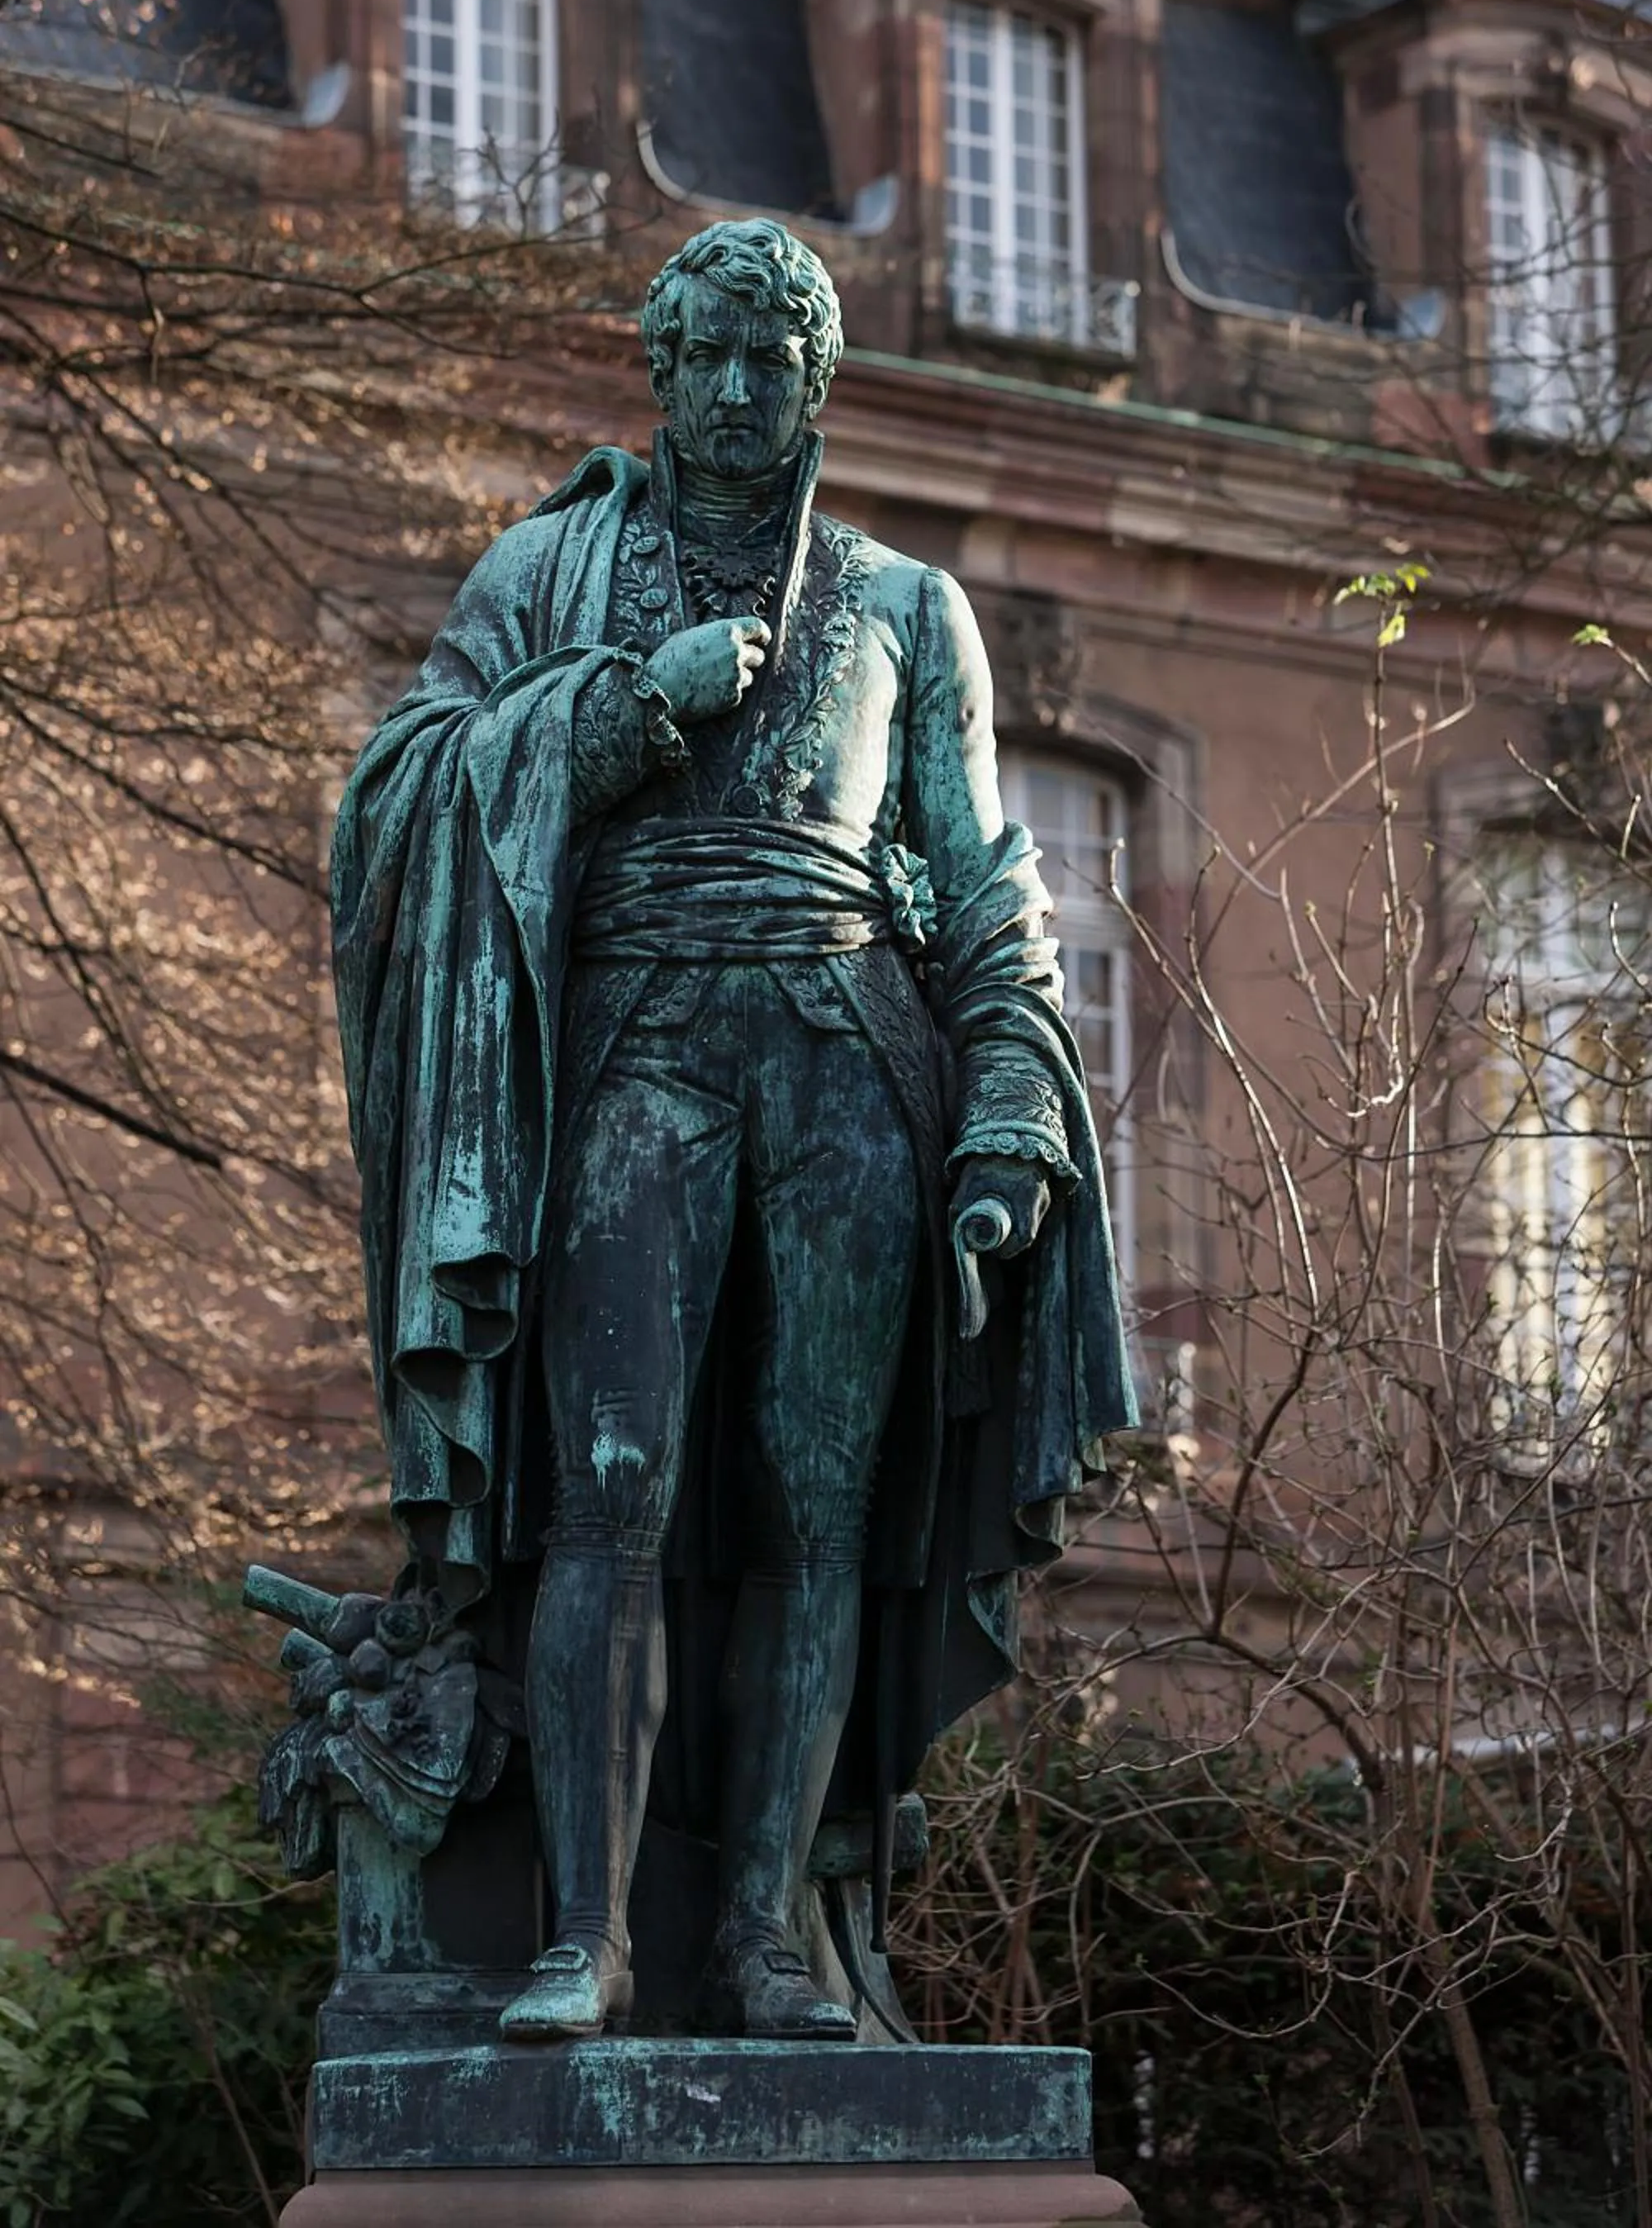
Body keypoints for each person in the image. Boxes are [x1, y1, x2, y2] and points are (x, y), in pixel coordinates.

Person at [330, 219, 1134, 2044]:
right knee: (609, 1484)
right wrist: (622, 711)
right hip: (638, 1047)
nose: (740, 389)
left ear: (817, 379)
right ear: (662, 364)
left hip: (850, 1054)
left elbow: (992, 879)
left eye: (776, 357)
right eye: (709, 354)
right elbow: (399, 792)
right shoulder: (545, 573)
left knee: (819, 1504)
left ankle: (767, 1933)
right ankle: (584, 1938)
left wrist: (1008, 1110)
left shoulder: (909, 609)